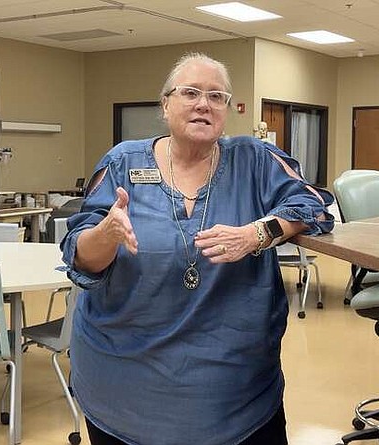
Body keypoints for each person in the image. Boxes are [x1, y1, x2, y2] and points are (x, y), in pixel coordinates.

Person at [61, 53, 334, 445]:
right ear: (166, 104)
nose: (203, 103)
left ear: (226, 109)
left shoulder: (253, 160)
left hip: (235, 390)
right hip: (126, 383)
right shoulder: (122, 163)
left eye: (216, 96)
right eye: (190, 92)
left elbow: (313, 205)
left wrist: (257, 234)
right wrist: (106, 233)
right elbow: (80, 257)